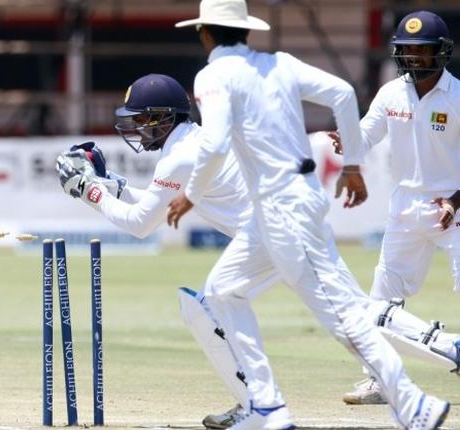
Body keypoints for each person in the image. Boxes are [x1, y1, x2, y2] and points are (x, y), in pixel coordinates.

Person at [56, 73, 460, 429]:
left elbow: (140, 224)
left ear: (166, 118)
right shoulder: (192, 145)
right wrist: (109, 184)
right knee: (341, 309)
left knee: (208, 304)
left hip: (275, 231)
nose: (139, 130)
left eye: (144, 121)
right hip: (288, 223)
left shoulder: (179, 157)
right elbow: (151, 205)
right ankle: (448, 347)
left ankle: (258, 406)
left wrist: (88, 191)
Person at [164, 0, 449, 428]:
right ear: (243, 31)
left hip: (284, 209)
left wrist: (191, 193)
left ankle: (413, 404)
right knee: (223, 290)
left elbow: (216, 141)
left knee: (344, 317)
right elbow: (342, 93)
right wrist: (352, 164)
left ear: (206, 33)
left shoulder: (212, 76)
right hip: (276, 205)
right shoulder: (277, 63)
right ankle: (268, 407)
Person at [329, 10, 460, 405]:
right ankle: (380, 380)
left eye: (422, 50)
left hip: (454, 206)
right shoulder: (391, 92)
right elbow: (367, 134)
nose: (414, 57)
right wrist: (348, 141)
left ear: (441, 53)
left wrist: (455, 202)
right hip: (406, 206)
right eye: (407, 50)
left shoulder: (457, 97)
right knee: (380, 302)